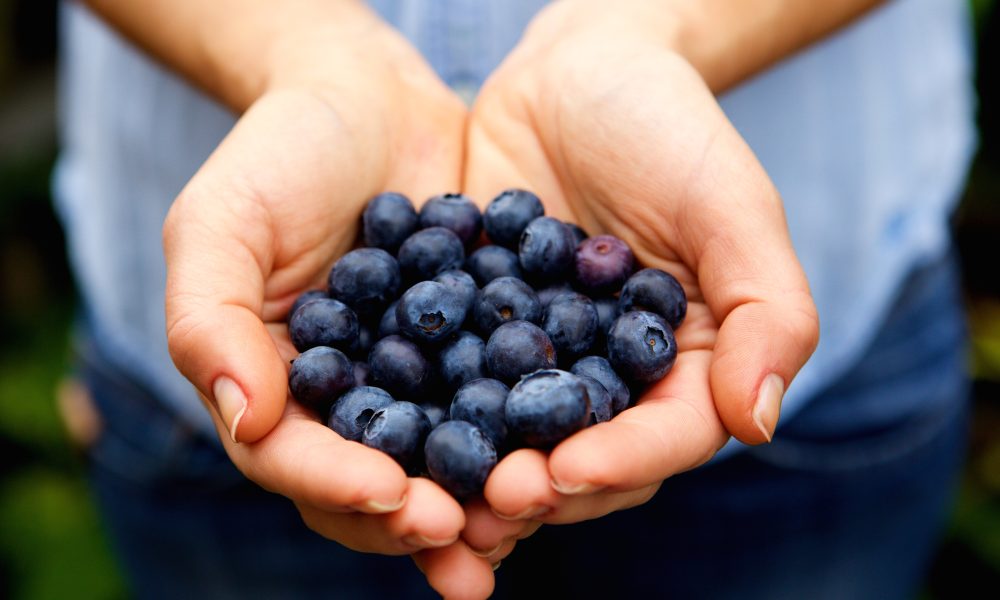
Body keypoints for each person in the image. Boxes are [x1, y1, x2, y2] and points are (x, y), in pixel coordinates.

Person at [55, 0, 975, 598]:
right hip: (211, 395)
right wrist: (299, 48)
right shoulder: (404, 315)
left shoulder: (544, 310)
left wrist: (659, 31)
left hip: (829, 354)